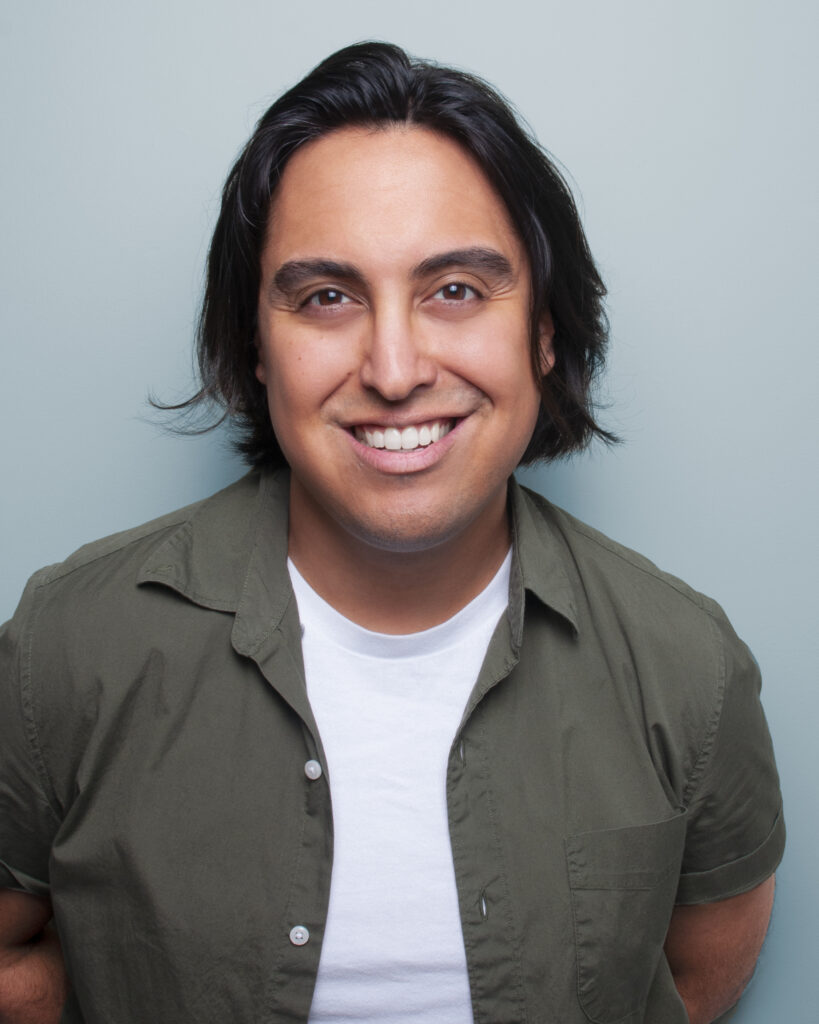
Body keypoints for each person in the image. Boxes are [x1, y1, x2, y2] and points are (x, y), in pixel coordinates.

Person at [0, 42, 784, 1024]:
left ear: (544, 329)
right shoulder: (68, 646)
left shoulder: (688, 668)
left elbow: (698, 977)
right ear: (256, 342)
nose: (396, 365)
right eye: (326, 296)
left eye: (455, 288)